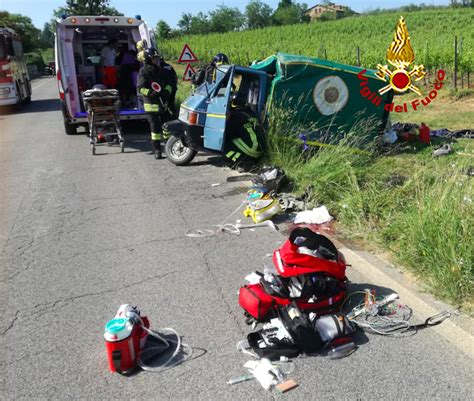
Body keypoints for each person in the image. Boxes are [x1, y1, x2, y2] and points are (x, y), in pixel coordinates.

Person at [137, 48, 174, 159]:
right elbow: (140, 88)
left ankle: (168, 146)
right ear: (148, 58)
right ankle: (157, 149)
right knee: (155, 129)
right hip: (151, 104)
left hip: (163, 103)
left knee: (166, 126)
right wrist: (150, 93)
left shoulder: (161, 70)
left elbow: (169, 83)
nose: (156, 60)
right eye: (154, 58)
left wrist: (167, 92)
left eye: (157, 58)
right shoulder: (144, 71)